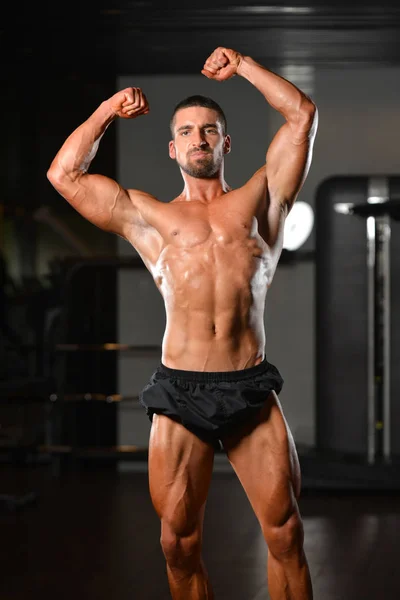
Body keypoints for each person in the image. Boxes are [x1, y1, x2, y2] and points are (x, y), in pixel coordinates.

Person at [47, 46, 318, 600]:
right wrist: (105, 110)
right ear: (173, 149)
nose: (199, 138)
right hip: (180, 388)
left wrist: (241, 64)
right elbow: (65, 174)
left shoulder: (262, 199)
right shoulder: (149, 217)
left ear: (225, 142)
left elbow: (301, 115)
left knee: (286, 533)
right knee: (178, 543)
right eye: (189, 131)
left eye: (210, 130)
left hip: (248, 382)